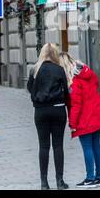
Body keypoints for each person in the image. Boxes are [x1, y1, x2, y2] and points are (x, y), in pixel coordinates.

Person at [62, 52, 100, 188]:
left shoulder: (75, 82)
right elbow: (96, 84)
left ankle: (90, 178)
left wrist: (72, 123)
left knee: (87, 147)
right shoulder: (86, 74)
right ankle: (99, 177)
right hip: (97, 114)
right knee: (96, 146)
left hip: (86, 118)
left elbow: (76, 105)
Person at [27, 43, 70, 190]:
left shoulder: (35, 70)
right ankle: (60, 181)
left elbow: (29, 88)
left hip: (40, 111)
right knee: (58, 146)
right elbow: (66, 90)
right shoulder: (59, 70)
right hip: (58, 110)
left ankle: (44, 183)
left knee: (43, 146)